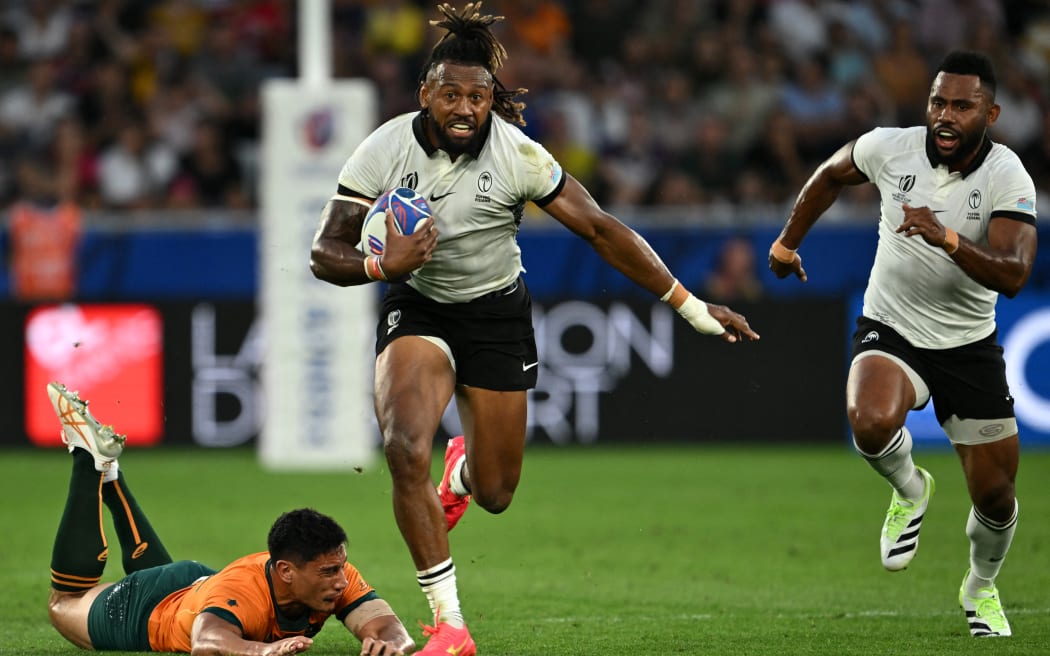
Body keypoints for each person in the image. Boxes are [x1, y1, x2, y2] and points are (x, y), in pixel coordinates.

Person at [309, 3, 760, 654]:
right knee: (405, 447)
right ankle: (450, 627)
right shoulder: (385, 148)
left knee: (496, 493)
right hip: (420, 303)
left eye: (478, 96)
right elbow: (325, 252)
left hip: (496, 313)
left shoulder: (518, 155)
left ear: (493, 99)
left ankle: (462, 474)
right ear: (424, 95)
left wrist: (692, 307)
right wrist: (383, 263)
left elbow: (602, 229)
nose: (465, 108)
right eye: (452, 95)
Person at [768, 50, 1037, 638]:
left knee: (995, 496)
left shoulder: (1008, 176)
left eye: (962, 106)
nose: (945, 115)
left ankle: (980, 587)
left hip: (969, 344)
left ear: (989, 112)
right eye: (938, 101)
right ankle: (910, 490)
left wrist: (946, 238)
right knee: (868, 418)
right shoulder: (890, 147)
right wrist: (788, 243)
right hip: (892, 325)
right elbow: (831, 174)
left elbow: (1014, 275)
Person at [44, 381, 415, 655]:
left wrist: (391, 644)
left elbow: (385, 623)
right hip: (147, 610)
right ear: (286, 571)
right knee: (63, 602)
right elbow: (206, 642)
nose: (340, 581)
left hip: (194, 586)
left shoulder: (332, 572)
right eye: (329, 572)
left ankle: (110, 473)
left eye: (339, 568)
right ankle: (88, 461)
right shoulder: (245, 591)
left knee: (188, 603)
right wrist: (262, 650)